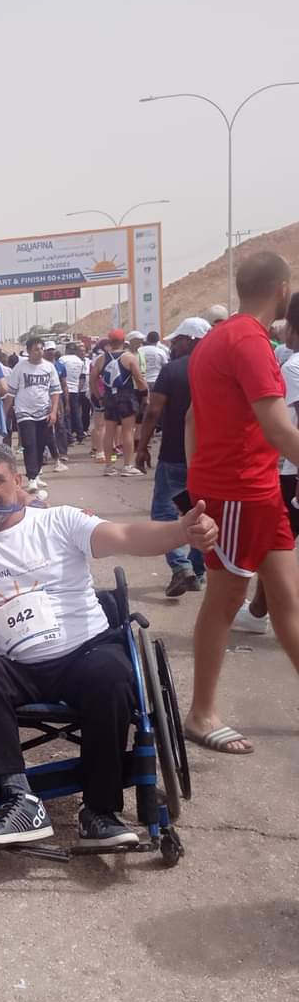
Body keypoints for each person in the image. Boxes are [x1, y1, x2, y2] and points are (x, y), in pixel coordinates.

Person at [0, 442, 218, 850]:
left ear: (18, 480)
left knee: (111, 672)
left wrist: (180, 531)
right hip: (16, 665)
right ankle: (19, 799)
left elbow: (125, 535)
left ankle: (99, 812)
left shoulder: (59, 521)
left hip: (85, 652)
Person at [185, 252, 299, 754]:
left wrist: (197, 480)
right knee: (225, 601)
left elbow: (191, 418)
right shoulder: (250, 342)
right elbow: (279, 430)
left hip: (256, 489)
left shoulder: (218, 338)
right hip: (239, 491)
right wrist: (208, 485)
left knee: (287, 599)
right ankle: (201, 713)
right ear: (282, 289)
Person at [236, 299, 299, 632]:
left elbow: (286, 426)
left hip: (292, 470)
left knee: (275, 543)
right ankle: (259, 610)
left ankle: (260, 611)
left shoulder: (292, 367)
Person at [135, 317, 211, 598]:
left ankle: (181, 567)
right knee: (201, 512)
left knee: (165, 512)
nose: (173, 345)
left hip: (174, 456)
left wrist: (142, 446)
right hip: (208, 458)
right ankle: (197, 570)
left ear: (190, 340)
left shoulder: (173, 370)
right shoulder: (217, 367)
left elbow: (153, 411)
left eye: (178, 340)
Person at [6, 335, 61, 498]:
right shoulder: (20, 368)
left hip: (44, 411)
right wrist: (4, 412)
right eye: (36, 349)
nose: (40, 352)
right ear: (29, 351)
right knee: (29, 444)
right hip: (24, 411)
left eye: (41, 349)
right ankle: (31, 478)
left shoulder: (49, 367)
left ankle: (36, 474)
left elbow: (55, 391)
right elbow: (11, 392)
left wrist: (54, 411)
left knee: (41, 444)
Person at [90, 329, 146, 477]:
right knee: (127, 431)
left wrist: (99, 396)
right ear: (123, 341)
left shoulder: (101, 359)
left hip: (109, 397)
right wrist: (145, 395)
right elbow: (139, 379)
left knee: (109, 431)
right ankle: (127, 465)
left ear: (109, 341)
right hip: (126, 396)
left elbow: (92, 380)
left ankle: (109, 466)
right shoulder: (129, 357)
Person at [42, 341, 70, 469]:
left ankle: (62, 452)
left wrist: (67, 402)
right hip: (43, 399)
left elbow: (64, 385)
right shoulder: (41, 366)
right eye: (48, 350)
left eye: (52, 350)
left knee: (60, 426)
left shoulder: (60, 366)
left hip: (58, 399)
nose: (51, 352)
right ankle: (44, 454)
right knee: (44, 427)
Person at [58, 342, 87, 442]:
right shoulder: (80, 361)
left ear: (66, 350)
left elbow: (60, 374)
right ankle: (80, 434)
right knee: (76, 413)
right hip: (75, 389)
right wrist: (78, 389)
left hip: (64, 389)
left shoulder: (62, 360)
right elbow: (82, 377)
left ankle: (69, 436)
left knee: (66, 414)